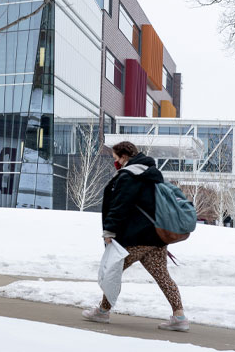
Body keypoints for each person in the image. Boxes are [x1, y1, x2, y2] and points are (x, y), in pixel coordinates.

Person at [81, 141, 190, 332]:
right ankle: (179, 316)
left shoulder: (129, 175)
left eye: (116, 158)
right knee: (163, 276)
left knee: (112, 271)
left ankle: (103, 311)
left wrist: (109, 231)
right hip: (156, 237)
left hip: (135, 238)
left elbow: (120, 205)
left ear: (124, 157)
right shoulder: (152, 173)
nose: (115, 162)